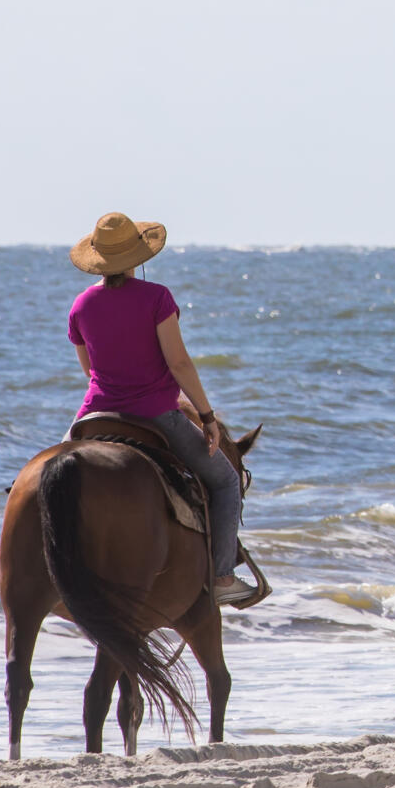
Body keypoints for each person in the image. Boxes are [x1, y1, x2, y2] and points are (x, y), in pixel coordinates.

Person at [65, 211, 265, 608]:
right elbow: (179, 364)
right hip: (155, 413)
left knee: (44, 473)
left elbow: (90, 371)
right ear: (138, 257)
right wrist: (207, 418)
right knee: (226, 483)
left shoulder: (82, 304)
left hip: (93, 415)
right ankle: (223, 576)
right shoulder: (157, 297)